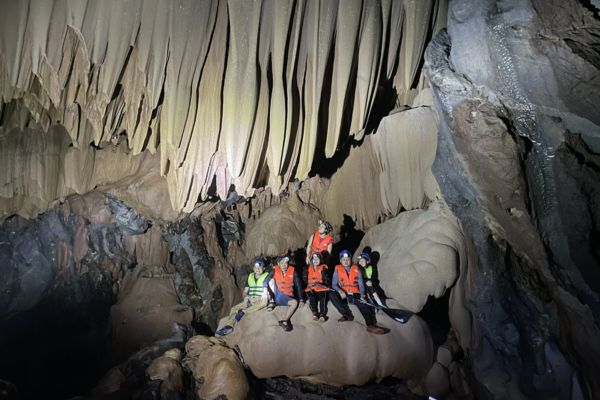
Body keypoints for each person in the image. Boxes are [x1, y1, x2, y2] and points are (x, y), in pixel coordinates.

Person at [329, 250, 386, 335]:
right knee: (332, 294)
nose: (346, 261)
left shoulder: (356, 269)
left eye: (348, 259)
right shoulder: (337, 269)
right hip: (344, 294)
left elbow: (361, 284)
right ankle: (346, 315)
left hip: (355, 294)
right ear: (340, 261)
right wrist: (340, 291)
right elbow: (333, 284)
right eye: (343, 259)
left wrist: (362, 295)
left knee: (364, 305)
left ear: (351, 260)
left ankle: (370, 325)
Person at [215, 258, 270, 336]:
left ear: (263, 268)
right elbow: (245, 291)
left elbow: (268, 292)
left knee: (263, 303)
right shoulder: (250, 277)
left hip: (260, 299)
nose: (258, 269)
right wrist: (245, 297)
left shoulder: (267, 277)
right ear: (253, 268)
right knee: (234, 309)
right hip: (250, 299)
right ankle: (229, 327)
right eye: (256, 267)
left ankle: (244, 312)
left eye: (260, 267)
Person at [267, 256, 305, 332]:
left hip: (287, 297)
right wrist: (270, 296)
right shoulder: (274, 271)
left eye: (286, 263)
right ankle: (272, 302)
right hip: (277, 296)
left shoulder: (293, 272)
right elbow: (265, 282)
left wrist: (301, 299)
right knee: (270, 281)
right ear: (278, 264)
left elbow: (298, 286)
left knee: (294, 302)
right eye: (282, 263)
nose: (284, 265)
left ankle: (284, 320)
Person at [304, 252, 329, 321]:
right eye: (314, 259)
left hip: (321, 288)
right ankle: (315, 313)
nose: (315, 260)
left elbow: (326, 279)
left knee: (322, 299)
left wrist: (322, 283)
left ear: (320, 260)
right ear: (311, 260)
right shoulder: (307, 268)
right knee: (312, 298)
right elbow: (304, 279)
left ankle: (322, 314)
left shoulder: (323, 268)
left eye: (317, 259)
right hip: (311, 288)